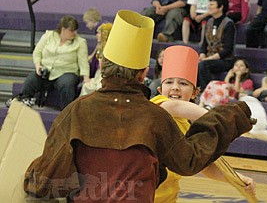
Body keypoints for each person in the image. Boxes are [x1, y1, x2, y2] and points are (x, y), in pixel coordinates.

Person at [23, 10, 254, 201]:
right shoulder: (155, 117)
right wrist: (230, 116)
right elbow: (190, 161)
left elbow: (44, 179)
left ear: (103, 66)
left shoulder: (75, 111)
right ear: (144, 74)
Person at [152, 45, 256, 202]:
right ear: (160, 90)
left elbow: (204, 165)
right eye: (169, 82)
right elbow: (175, 106)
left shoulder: (191, 129)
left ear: (195, 93)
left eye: (183, 83)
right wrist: (218, 117)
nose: (175, 87)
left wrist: (236, 178)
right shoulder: (157, 106)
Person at [6, 15, 90, 110]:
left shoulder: (80, 42)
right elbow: (37, 52)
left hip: (67, 72)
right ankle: (22, 103)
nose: (75, 33)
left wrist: (86, 78)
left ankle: (66, 112)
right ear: (63, 29)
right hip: (47, 71)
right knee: (32, 79)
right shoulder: (48, 36)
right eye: (72, 30)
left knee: (67, 83)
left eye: (76, 30)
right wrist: (38, 66)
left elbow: (83, 62)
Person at [197, 0, 236, 92]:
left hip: (225, 59)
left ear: (221, 7)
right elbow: (204, 43)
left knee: (203, 65)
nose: (209, 7)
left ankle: (208, 91)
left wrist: (209, 58)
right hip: (209, 57)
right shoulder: (209, 22)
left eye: (212, 4)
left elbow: (228, 49)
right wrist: (202, 54)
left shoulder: (228, 24)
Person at [79, 22, 112, 96]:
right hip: (98, 74)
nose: (97, 35)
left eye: (99, 33)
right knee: (86, 85)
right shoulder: (99, 47)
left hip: (105, 75)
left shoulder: (110, 50)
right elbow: (91, 58)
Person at [83, 7, 105, 78]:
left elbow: (100, 44)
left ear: (91, 20)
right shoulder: (103, 25)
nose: (86, 26)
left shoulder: (99, 28)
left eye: (87, 23)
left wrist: (92, 56)